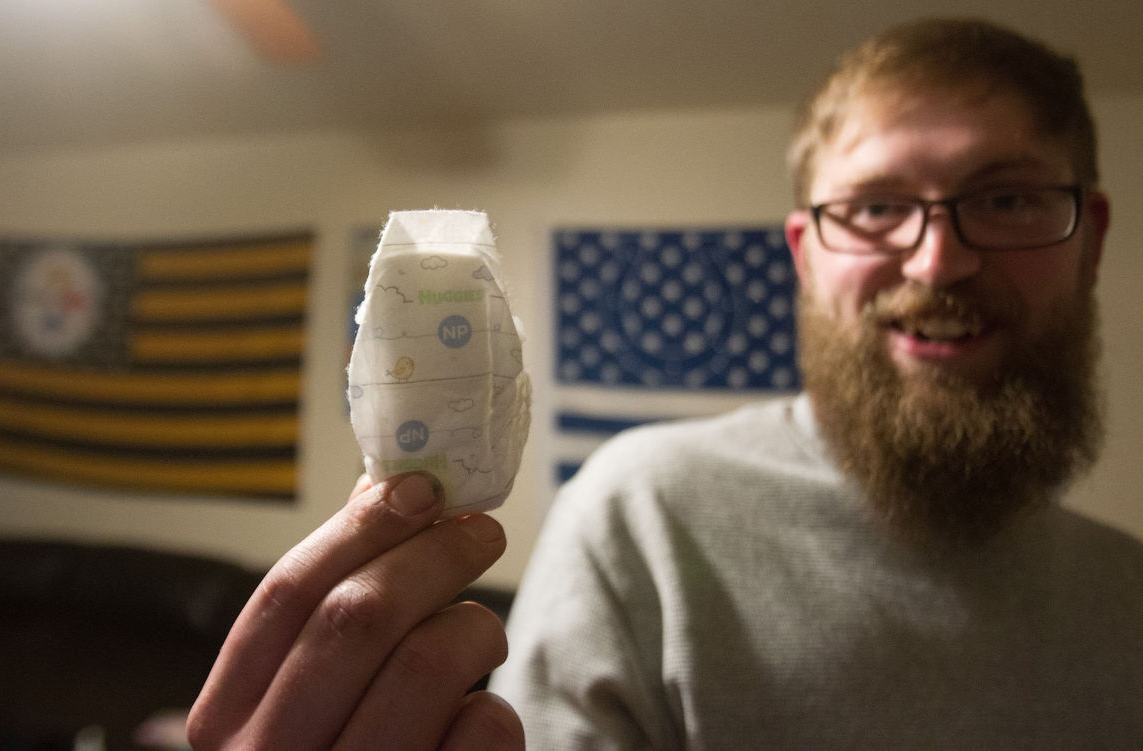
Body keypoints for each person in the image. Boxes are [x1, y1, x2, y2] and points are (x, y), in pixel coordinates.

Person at [186, 17, 1143, 750]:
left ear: (1092, 237)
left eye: (1008, 198)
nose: (938, 263)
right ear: (805, 256)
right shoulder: (642, 511)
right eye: (879, 206)